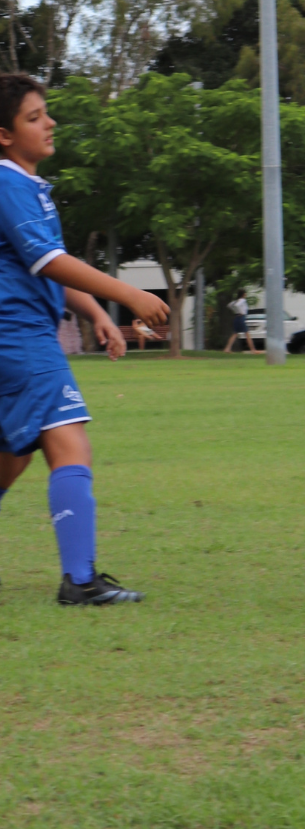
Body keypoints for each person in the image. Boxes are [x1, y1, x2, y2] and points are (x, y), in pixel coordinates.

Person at [0, 73, 170, 604]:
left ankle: (80, 578)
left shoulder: (25, 185)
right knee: (68, 439)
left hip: (18, 335)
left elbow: (42, 268)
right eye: (33, 117)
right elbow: (48, 260)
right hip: (19, 336)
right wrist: (129, 295)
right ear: (4, 134)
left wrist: (95, 309)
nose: (49, 122)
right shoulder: (7, 182)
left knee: (12, 456)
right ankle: (79, 581)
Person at [224, 288, 256, 354]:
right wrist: (240, 312)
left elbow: (229, 305)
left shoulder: (236, 301)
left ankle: (227, 349)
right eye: (245, 293)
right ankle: (253, 350)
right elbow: (237, 305)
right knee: (247, 334)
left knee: (235, 333)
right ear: (243, 294)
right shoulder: (242, 300)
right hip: (241, 318)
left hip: (236, 317)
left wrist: (236, 311)